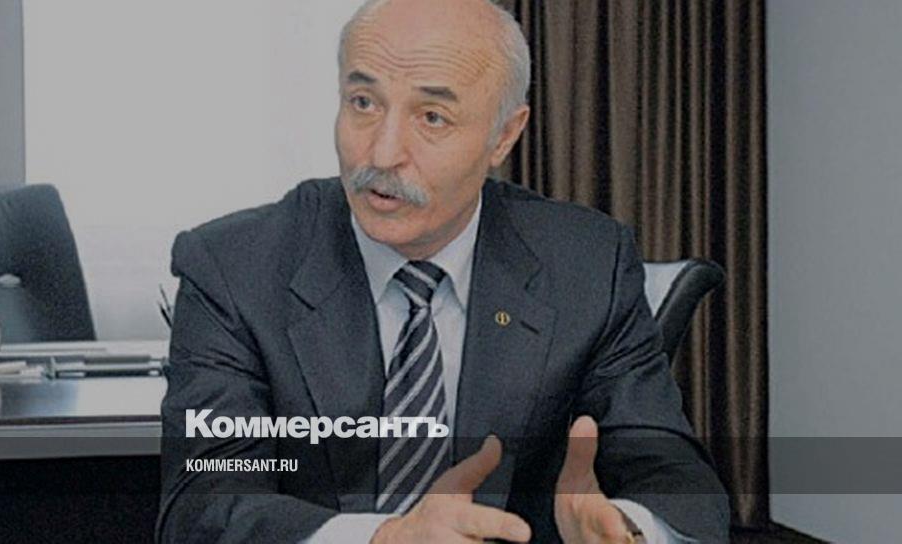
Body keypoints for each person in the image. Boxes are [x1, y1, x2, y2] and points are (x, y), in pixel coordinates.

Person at [157, 0, 729, 542]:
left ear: (504, 135)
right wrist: (383, 537)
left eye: (432, 116)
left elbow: (670, 471)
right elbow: (204, 502)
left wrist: (629, 528)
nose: (382, 155)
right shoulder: (234, 267)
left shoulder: (586, 264)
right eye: (363, 102)